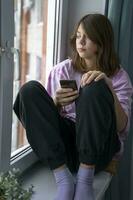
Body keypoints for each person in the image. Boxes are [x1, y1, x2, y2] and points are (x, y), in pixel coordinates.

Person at [13, 13, 133, 200]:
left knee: (95, 85)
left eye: (88, 36)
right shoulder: (62, 70)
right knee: (29, 90)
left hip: (100, 149)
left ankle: (85, 179)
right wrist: (56, 103)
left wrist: (108, 88)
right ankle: (63, 179)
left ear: (102, 41)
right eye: (78, 35)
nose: (81, 41)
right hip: (65, 149)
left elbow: (122, 128)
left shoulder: (120, 77)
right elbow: (45, 122)